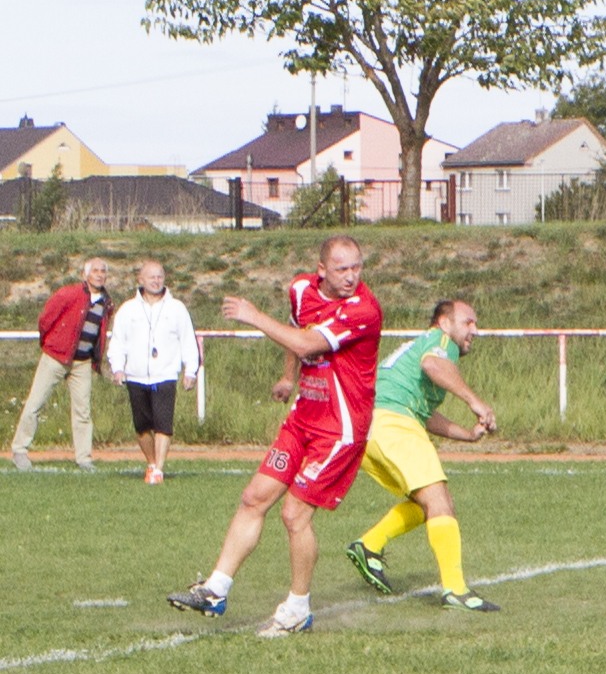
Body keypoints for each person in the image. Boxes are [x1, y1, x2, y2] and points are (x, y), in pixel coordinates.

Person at [167, 235, 383, 637]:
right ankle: (216, 589)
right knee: (254, 498)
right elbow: (296, 332)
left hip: (340, 428)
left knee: (294, 513)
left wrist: (252, 315)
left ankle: (298, 609)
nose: (352, 276)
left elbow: (306, 340)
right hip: (304, 418)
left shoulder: (363, 310)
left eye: (357, 267)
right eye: (342, 269)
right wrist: (289, 376)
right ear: (322, 270)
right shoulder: (302, 288)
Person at [344, 299, 502, 612]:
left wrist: (467, 434)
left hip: (368, 429)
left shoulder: (421, 347)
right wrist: (475, 401)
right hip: (393, 424)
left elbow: (424, 413)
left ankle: (369, 545)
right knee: (440, 502)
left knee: (429, 503)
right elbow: (433, 366)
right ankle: (455, 590)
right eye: (468, 322)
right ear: (445, 323)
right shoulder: (441, 342)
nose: (475, 330)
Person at [106, 260, 201, 484]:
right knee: (142, 427)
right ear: (141, 280)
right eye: (151, 277)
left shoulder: (176, 308)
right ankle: (151, 462)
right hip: (136, 376)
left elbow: (188, 340)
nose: (156, 281)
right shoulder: (128, 309)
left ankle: (159, 469)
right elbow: (118, 342)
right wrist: (118, 368)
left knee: (163, 424)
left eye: (160, 276)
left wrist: (191, 370)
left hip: (165, 374)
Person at [11, 257, 111, 471]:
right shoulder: (69, 293)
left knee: (83, 411)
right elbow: (46, 319)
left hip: (82, 362)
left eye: (103, 271)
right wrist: (51, 344)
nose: (100, 274)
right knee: (35, 403)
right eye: (95, 271)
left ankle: (84, 458)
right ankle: (20, 450)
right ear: (85, 274)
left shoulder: (106, 302)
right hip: (56, 357)